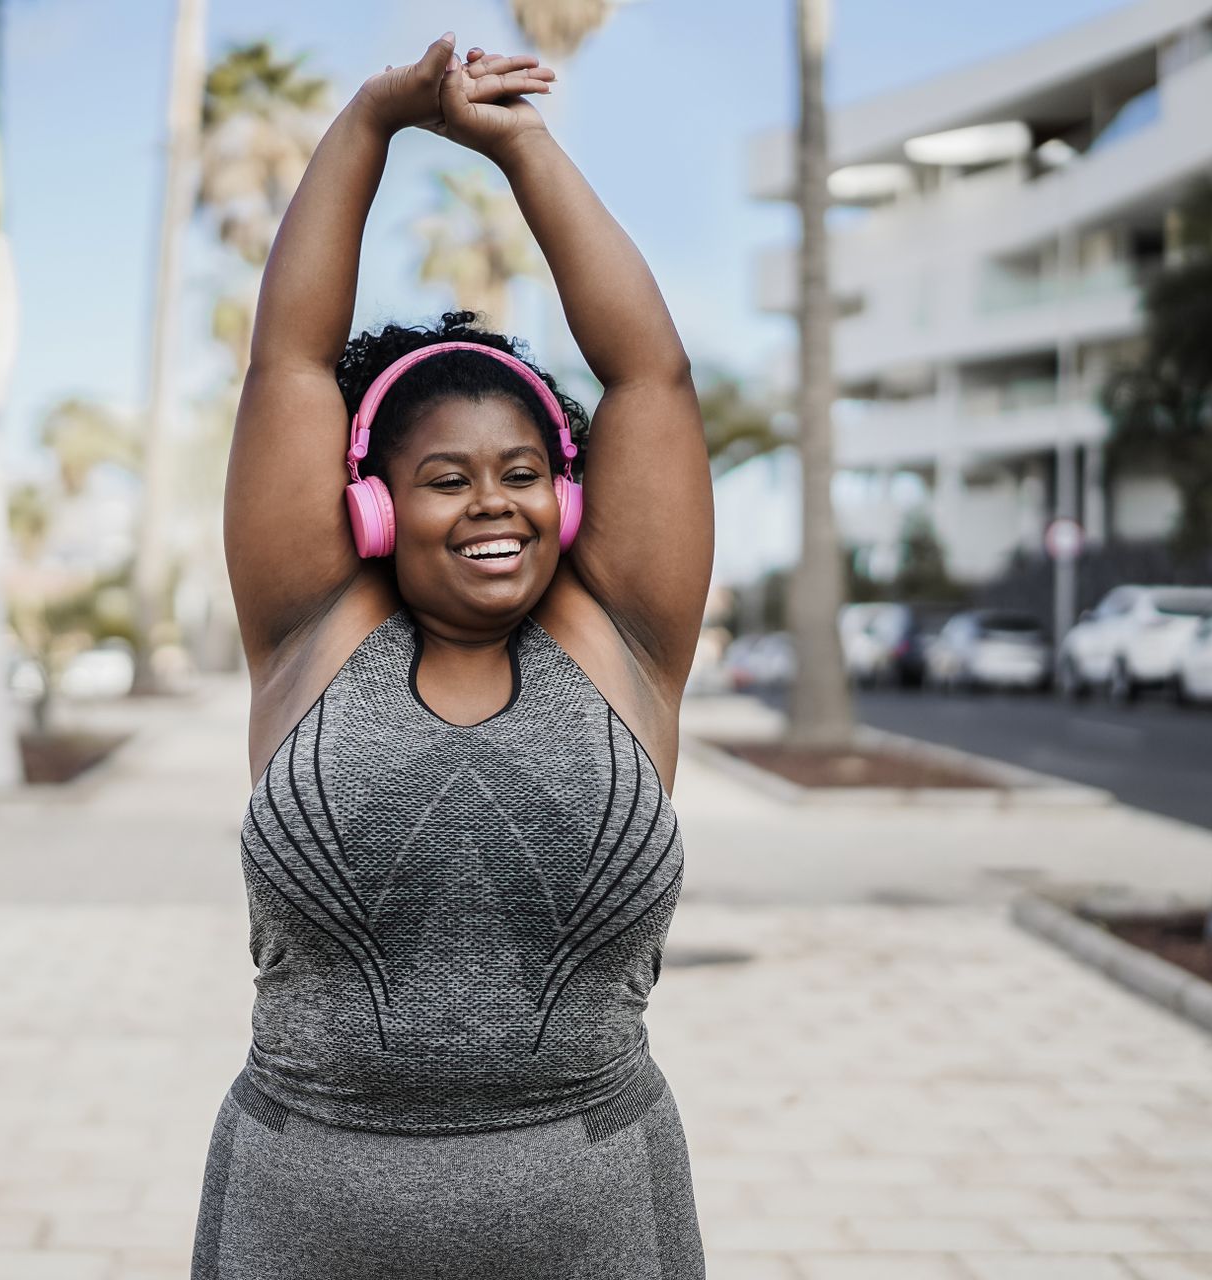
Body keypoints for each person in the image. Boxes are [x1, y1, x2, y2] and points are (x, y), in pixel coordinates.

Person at [196, 31, 714, 1278]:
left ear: (568, 494)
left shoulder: (621, 639)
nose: (496, 503)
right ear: (375, 506)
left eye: (524, 472)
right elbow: (290, 360)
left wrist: (521, 146)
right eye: (447, 478)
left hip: (597, 1224)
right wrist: (375, 117)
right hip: (302, 1216)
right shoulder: (316, 632)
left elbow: (650, 371)